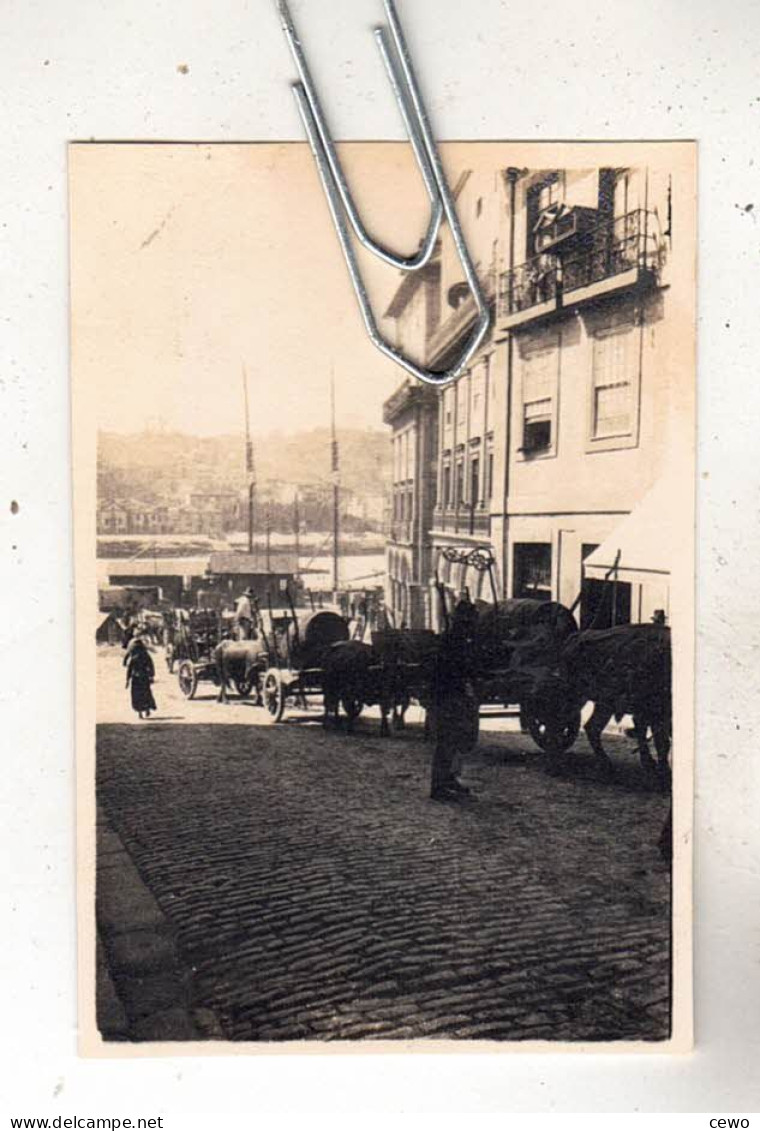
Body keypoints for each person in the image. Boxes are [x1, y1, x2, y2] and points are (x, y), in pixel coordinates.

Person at [428, 596, 480, 802]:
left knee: (454, 741)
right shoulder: (452, 643)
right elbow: (454, 671)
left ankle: (448, 779)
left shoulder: (457, 641)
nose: (472, 627)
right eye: (470, 623)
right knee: (447, 741)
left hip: (452, 696)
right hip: (447, 697)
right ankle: (438, 787)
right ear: (463, 623)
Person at [125, 637, 156, 720]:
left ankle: (140, 713)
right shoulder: (145, 655)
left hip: (136, 678)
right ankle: (147, 709)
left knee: (137, 696)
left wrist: (127, 680)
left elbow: (129, 669)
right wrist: (151, 675)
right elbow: (151, 666)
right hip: (144, 677)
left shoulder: (133, 657)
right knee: (146, 694)